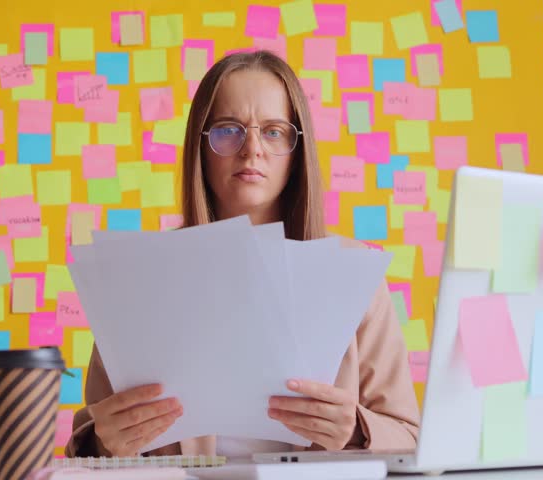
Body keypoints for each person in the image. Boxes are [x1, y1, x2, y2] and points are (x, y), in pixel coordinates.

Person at [65, 50, 420, 458]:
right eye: (228, 129)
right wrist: (104, 441)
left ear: (297, 148)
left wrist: (356, 430)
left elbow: (409, 437)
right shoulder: (144, 275)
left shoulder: (355, 274)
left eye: (273, 131)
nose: (252, 149)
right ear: (201, 146)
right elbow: (88, 446)